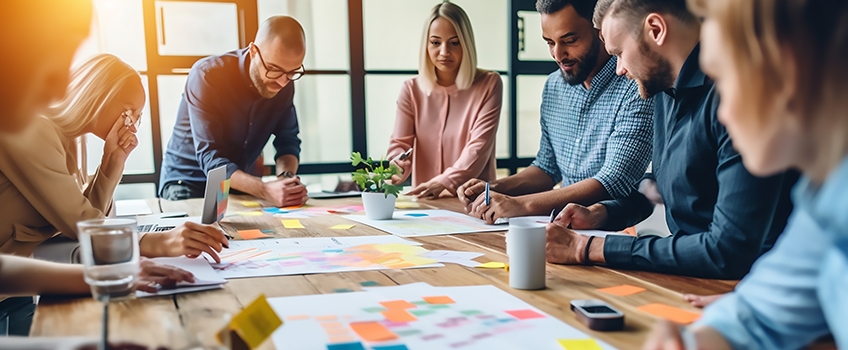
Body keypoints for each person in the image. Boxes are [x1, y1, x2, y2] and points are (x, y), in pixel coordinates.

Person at [642, 0, 848, 348]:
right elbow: (756, 316)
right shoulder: (822, 205)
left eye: (722, 80)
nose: (721, 114)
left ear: (783, 68)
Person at [543, 0, 797, 280]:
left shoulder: (740, 96)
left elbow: (727, 251)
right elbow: (668, 185)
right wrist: (603, 213)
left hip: (754, 287)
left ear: (656, 29)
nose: (619, 69)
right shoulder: (662, 91)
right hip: (690, 279)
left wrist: (588, 247)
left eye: (620, 53)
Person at [0, 54, 229, 264]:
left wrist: (112, 163)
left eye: (137, 118)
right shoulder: (33, 130)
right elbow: (83, 225)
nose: (132, 127)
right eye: (129, 112)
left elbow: (89, 216)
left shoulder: (75, 140)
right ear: (97, 96)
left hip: (20, 280)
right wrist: (161, 242)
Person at [457, 0, 653, 224]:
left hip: (614, 231)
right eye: (550, 43)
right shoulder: (554, 86)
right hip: (559, 227)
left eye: (570, 41)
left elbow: (613, 180)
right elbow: (546, 169)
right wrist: (494, 188)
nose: (558, 54)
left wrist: (521, 204)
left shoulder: (636, 86)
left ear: (601, 31)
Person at [159, 15, 308, 208]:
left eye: (292, 72)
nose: (282, 82)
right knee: (205, 236)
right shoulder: (207, 76)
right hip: (189, 184)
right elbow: (210, 158)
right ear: (254, 51)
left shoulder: (284, 83)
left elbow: (288, 140)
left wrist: (285, 181)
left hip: (239, 186)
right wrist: (265, 189)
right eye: (273, 69)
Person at [387, 2, 503, 199]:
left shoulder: (489, 84)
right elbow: (400, 144)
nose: (444, 52)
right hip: (426, 204)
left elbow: (478, 148)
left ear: (466, 43)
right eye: (435, 42)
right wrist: (397, 166)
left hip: (473, 202)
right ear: (426, 44)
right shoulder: (411, 89)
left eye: (454, 42)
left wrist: (443, 182)